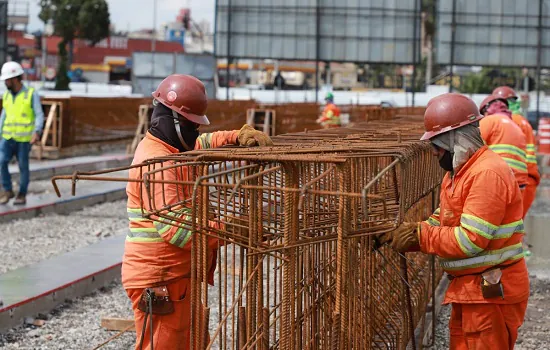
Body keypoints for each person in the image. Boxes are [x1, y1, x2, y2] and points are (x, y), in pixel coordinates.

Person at [123, 74, 273, 350]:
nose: (196, 134)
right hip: (160, 278)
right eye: (192, 126)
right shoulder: (157, 163)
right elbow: (177, 230)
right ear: (173, 120)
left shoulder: (171, 147)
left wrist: (236, 137)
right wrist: (229, 230)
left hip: (174, 275)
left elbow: (202, 144)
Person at [381, 93, 529, 349]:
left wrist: (420, 235)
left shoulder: (486, 174)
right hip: (471, 290)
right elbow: (445, 217)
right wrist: (410, 233)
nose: (435, 153)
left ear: (456, 139)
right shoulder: (460, 173)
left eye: (437, 145)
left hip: (491, 293)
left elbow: (470, 240)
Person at [0, 61, 44, 205]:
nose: (5, 82)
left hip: (24, 139)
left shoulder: (31, 94)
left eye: (7, 79)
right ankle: (7, 190)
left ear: (15, 79)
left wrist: (36, 131)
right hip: (7, 137)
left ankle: (22, 194)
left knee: (23, 167)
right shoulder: (6, 95)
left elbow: (39, 114)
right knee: (1, 162)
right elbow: (4, 116)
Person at [493, 86, 540, 215]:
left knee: (508, 228)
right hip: (528, 180)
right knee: (515, 227)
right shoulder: (523, 121)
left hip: (515, 181)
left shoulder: (506, 121)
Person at [479, 94, 528, 196]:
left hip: (498, 180)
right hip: (519, 185)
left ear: (487, 109)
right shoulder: (517, 127)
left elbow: (472, 149)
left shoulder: (489, 121)